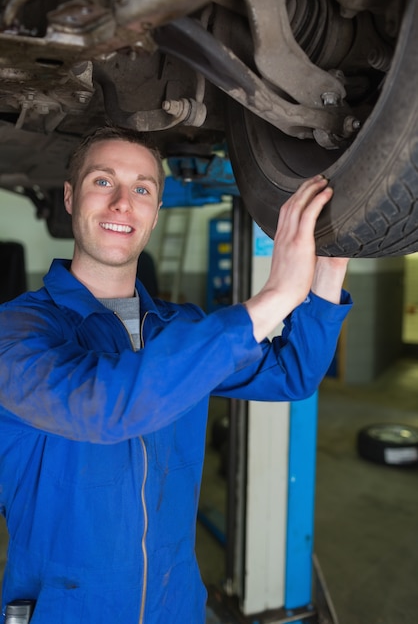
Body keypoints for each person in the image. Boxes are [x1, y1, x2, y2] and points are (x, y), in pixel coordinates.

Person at [0, 125, 352, 624]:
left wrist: (330, 266)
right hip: (66, 610)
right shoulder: (16, 329)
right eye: (104, 182)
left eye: (142, 189)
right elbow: (101, 408)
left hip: (176, 604)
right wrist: (273, 298)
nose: (124, 202)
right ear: (70, 197)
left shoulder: (180, 329)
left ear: (155, 213)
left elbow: (292, 374)